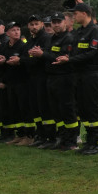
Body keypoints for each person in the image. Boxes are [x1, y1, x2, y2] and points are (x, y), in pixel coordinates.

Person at [68, 3, 98, 155]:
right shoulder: (79, 32)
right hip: (80, 75)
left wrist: (71, 60)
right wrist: (69, 58)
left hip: (92, 74)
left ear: (85, 13)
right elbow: (73, 51)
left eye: (76, 13)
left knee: (93, 108)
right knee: (83, 109)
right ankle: (90, 140)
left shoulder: (96, 30)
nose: (74, 16)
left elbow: (93, 53)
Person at [42, 11, 79, 151]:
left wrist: (43, 54)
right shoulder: (50, 39)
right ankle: (62, 138)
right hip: (51, 78)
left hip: (65, 78)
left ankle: (72, 141)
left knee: (68, 110)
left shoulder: (69, 38)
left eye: (59, 21)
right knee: (56, 110)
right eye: (54, 22)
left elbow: (61, 58)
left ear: (65, 22)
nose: (56, 24)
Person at [24, 14, 56, 148]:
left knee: (45, 108)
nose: (34, 27)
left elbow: (43, 57)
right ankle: (40, 134)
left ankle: (50, 136)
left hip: (43, 76)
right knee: (35, 107)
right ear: (28, 26)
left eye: (36, 24)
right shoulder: (30, 40)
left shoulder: (46, 38)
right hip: (32, 78)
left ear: (42, 24)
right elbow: (27, 57)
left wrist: (30, 58)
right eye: (31, 24)